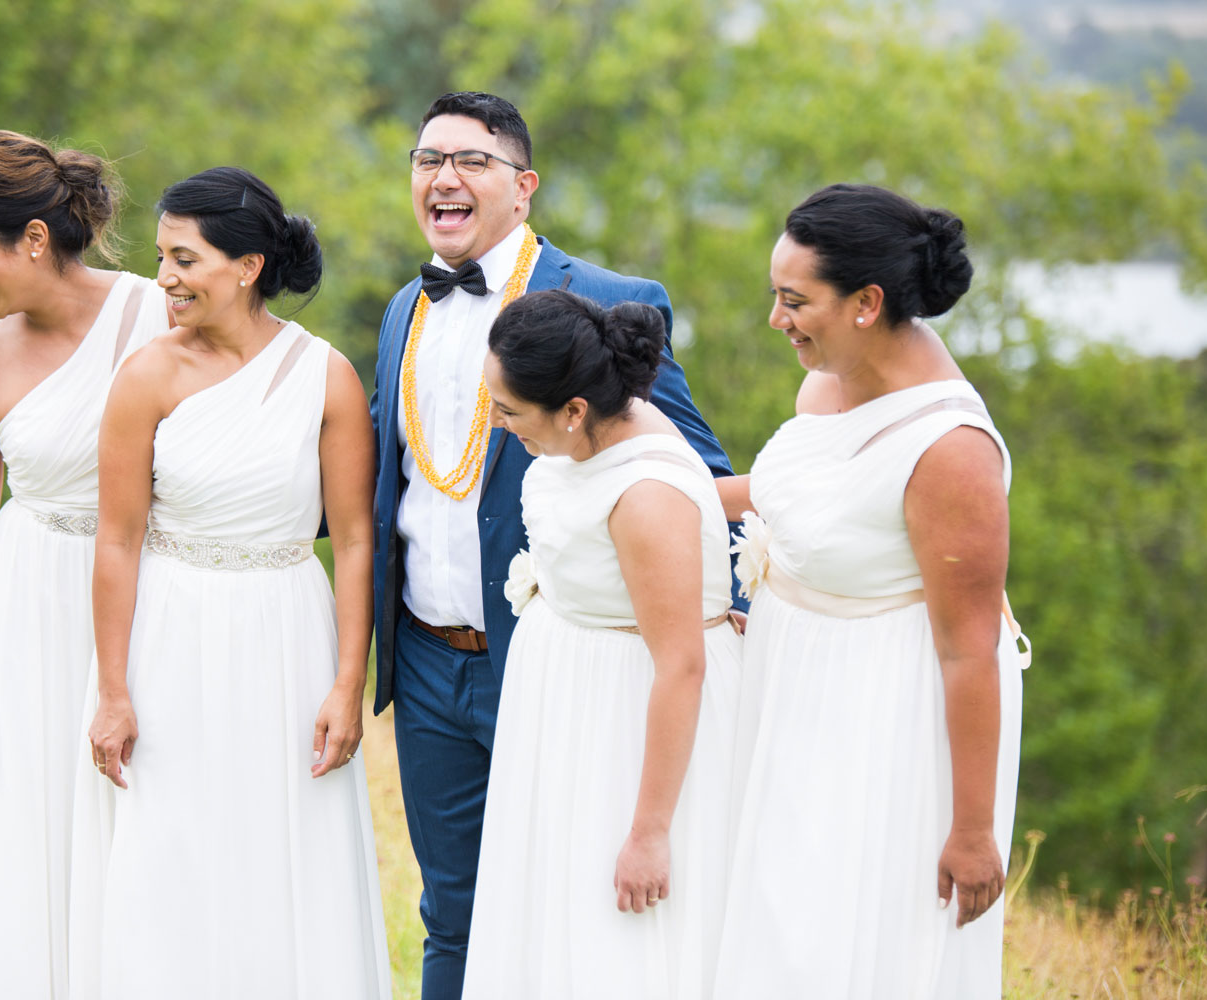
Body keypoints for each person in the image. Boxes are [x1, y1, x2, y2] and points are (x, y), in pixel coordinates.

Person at [369, 91, 740, 1000]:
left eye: (470, 161)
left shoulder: (609, 301)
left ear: (524, 186)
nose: (443, 178)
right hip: (423, 660)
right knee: (450, 911)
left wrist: (719, 627)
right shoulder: (400, 311)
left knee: (569, 899)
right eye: (427, 161)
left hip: (557, 659)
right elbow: (389, 476)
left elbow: (692, 478)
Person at [78, 167, 390, 999]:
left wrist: (346, 681)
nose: (165, 279)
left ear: (247, 266)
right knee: (174, 845)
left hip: (288, 632)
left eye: (184, 259)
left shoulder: (325, 376)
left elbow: (355, 540)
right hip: (170, 634)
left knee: (283, 841)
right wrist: (112, 690)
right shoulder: (146, 375)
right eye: (161, 258)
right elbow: (115, 540)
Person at [713, 183, 1025, 997]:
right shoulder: (828, 381)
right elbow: (799, 494)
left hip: (885, 718)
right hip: (794, 691)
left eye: (793, 300)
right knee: (772, 927)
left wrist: (973, 830)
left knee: (842, 943)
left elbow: (970, 651)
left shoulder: (950, 449)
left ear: (866, 302)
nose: (776, 319)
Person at [460, 290, 742, 998]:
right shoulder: (598, 417)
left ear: (574, 410)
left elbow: (681, 665)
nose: (497, 423)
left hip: (627, 721)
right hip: (568, 705)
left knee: (618, 933)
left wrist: (649, 831)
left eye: (510, 412)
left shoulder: (647, 496)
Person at [0, 129, 166, 1000]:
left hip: (148, 599)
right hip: (28, 610)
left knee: (140, 816)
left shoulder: (158, 316)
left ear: (32, 239)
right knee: (38, 829)